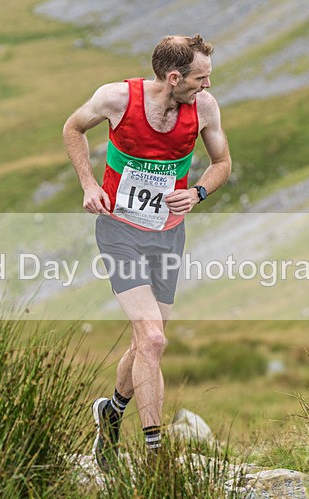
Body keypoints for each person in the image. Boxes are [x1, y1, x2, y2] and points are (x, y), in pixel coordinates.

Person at [62, 34, 231, 472]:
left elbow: (222, 164)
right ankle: (157, 456)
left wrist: (196, 193)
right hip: (119, 230)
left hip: (168, 236)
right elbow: (73, 128)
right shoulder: (117, 98)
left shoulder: (204, 108)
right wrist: (89, 185)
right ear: (173, 77)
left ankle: (111, 411)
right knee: (153, 339)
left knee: (146, 344)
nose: (206, 86)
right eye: (200, 78)